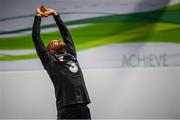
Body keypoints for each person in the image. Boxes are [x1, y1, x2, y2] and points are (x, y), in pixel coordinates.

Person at [32, 5, 91, 119]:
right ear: (50, 50)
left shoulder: (71, 55)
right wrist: (38, 17)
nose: (58, 40)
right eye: (54, 41)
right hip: (67, 109)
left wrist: (56, 15)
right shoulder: (49, 60)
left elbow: (66, 35)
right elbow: (36, 38)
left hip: (84, 107)